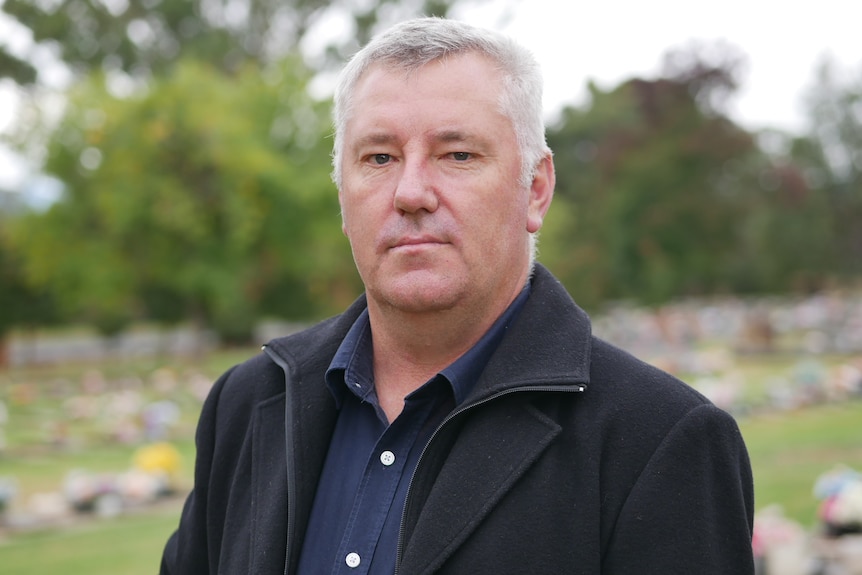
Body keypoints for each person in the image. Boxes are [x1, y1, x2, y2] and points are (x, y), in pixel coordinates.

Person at [160, 17, 755, 575]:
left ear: (536, 189)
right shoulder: (246, 406)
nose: (411, 191)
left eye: (458, 155)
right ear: (342, 192)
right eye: (380, 157)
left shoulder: (661, 441)